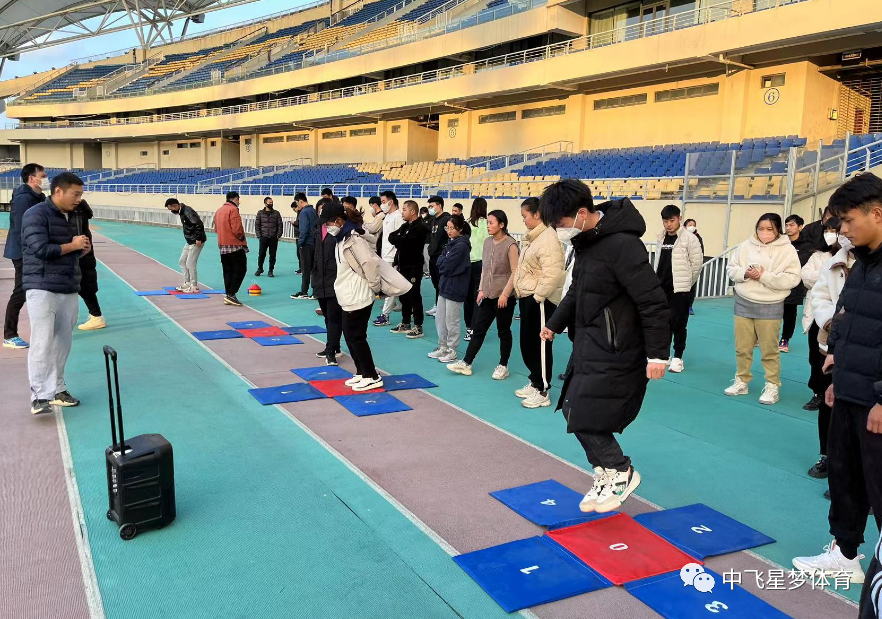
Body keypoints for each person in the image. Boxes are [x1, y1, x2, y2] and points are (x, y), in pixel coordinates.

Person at [539, 179, 670, 514]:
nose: (559, 230)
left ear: (582, 213)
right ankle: (604, 472)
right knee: (571, 409)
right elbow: (577, 291)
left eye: (561, 223)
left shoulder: (623, 245)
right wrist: (554, 323)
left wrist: (658, 354)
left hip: (618, 346)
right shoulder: (586, 243)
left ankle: (621, 470)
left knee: (586, 414)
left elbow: (653, 302)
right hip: (589, 340)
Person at [792, 173, 882, 587]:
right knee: (845, 477)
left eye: (847, 220)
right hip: (849, 388)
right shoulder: (861, 263)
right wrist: (836, 373)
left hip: (876, 400)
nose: (842, 230)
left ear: (876, 214)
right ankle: (845, 554)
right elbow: (849, 321)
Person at [21, 172, 89, 415]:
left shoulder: (73, 215)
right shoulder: (35, 214)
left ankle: (58, 388)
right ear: (58, 191)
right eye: (75, 194)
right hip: (41, 286)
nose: (79, 199)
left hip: (68, 285)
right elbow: (40, 249)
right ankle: (40, 396)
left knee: (63, 342)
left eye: (80, 194)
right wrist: (73, 245)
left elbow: (71, 249)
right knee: (42, 342)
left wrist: (81, 249)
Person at [724, 213, 801, 405]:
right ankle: (741, 380)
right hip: (743, 302)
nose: (764, 233)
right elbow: (731, 268)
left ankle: (772, 385)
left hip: (771, 304)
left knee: (769, 350)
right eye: (760, 228)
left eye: (769, 229)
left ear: (778, 230)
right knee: (742, 347)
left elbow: (793, 278)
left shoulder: (788, 250)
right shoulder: (745, 246)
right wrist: (745, 273)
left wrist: (765, 276)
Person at [447, 210, 518, 380]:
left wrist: (505, 294)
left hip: (504, 298)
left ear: (502, 224)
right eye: (487, 223)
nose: (488, 226)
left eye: (491, 223)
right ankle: (467, 363)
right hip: (487, 295)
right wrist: (481, 290)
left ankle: (503, 365)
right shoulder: (487, 242)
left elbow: (515, 272)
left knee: (503, 331)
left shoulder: (511, 245)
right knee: (478, 329)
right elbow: (485, 269)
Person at [800, 217, 844, 482]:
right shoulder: (830, 259)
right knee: (829, 398)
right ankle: (827, 454)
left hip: (866, 349)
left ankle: (853, 468)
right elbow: (819, 293)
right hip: (830, 340)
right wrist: (830, 321)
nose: (839, 232)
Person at [514, 197, 565, 409]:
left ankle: (543, 390)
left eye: (525, 216)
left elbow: (553, 272)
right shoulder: (534, 238)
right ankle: (535, 380)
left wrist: (538, 296)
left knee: (540, 344)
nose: (523, 220)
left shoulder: (548, 238)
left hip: (540, 300)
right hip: (529, 296)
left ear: (537, 214)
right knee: (527, 343)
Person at [325, 206, 384, 392]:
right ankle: (361, 371)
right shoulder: (341, 239)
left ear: (338, 221)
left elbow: (371, 263)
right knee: (350, 335)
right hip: (347, 294)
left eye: (328, 223)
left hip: (358, 295)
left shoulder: (354, 239)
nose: (327, 227)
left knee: (357, 337)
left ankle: (372, 376)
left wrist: (375, 287)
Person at [653, 205, 702, 373]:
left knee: (679, 324)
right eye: (665, 221)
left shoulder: (690, 239)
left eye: (672, 220)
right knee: (663, 323)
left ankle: (678, 357)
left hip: (680, 290)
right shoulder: (661, 237)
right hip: (661, 288)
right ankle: (665, 354)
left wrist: (686, 284)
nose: (668, 224)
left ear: (679, 219)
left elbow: (696, 265)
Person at [3, 163, 47, 349]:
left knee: (39, 289)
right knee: (20, 291)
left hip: (32, 251)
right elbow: (24, 228)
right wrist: (33, 250)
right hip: (23, 252)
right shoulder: (23, 199)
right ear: (32, 178)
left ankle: (45, 329)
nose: (45, 179)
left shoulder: (38, 197)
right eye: (42, 176)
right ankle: (9, 335)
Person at [801, 217, 841, 413]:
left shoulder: (852, 258)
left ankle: (837, 392)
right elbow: (805, 277)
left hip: (840, 318)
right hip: (819, 317)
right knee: (816, 357)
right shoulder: (818, 256)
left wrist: (826, 276)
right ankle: (818, 392)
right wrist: (827, 274)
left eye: (834, 230)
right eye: (827, 230)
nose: (830, 234)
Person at [429, 214, 471, 363]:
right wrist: (444, 262)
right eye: (448, 228)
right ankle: (443, 346)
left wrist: (444, 263)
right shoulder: (449, 244)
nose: (449, 231)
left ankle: (452, 350)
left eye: (452, 228)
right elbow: (440, 261)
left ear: (460, 229)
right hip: (445, 286)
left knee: (452, 321)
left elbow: (447, 265)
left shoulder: (462, 246)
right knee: (440, 319)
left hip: (456, 288)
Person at [387, 200, 427, 339]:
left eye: (404, 209)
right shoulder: (405, 226)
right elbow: (391, 237)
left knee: (414, 295)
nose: (402, 212)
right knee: (404, 295)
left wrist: (401, 240)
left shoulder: (420, 227)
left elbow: (408, 243)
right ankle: (405, 323)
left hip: (414, 266)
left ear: (413, 211)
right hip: (403, 265)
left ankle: (418, 326)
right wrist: (401, 239)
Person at [313, 200, 346, 366]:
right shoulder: (319, 229)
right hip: (320, 279)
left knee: (334, 317)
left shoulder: (342, 233)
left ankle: (331, 350)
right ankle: (334, 346)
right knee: (327, 317)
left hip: (335, 280)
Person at [779, 214, 815, 353]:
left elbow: (800, 263)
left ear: (800, 227)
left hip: (794, 284)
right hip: (776, 281)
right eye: (786, 225)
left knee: (789, 312)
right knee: (770, 310)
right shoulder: (780, 242)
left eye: (792, 225)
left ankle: (785, 339)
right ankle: (762, 336)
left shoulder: (807, 245)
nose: (788, 228)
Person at [70, 199, 106, 331]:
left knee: (84, 287)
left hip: (81, 256)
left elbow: (78, 236)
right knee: (84, 288)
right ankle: (95, 316)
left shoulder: (76, 212)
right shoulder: (79, 211)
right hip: (84, 255)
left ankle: (96, 316)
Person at [373, 191, 403, 326]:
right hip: (385, 255)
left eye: (384, 202)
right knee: (394, 285)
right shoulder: (387, 217)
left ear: (391, 202)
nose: (382, 204)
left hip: (392, 256)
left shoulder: (398, 217)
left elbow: (398, 238)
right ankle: (406, 308)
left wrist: (396, 256)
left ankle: (385, 315)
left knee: (390, 286)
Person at [164, 198, 206, 293]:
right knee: (182, 261)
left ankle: (194, 286)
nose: (171, 211)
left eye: (171, 209)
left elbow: (199, 224)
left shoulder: (187, 211)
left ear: (175, 205)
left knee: (190, 263)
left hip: (196, 241)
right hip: (190, 241)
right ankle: (187, 282)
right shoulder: (182, 211)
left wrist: (198, 238)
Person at [215, 191, 248, 307]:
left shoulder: (219, 211)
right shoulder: (233, 210)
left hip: (222, 245)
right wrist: (241, 237)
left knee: (227, 271)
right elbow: (237, 228)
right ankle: (231, 294)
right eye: (239, 200)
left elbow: (216, 229)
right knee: (241, 269)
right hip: (234, 245)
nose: (239, 202)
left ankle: (229, 293)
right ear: (235, 199)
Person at [463, 198, 489, 342]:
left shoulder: (467, 223)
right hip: (482, 264)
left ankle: (469, 328)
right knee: (478, 297)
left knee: (468, 298)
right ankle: (476, 327)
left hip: (468, 263)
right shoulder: (488, 224)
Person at [426, 195, 450, 316]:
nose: (430, 209)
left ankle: (442, 308)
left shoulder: (446, 219)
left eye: (432, 206)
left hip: (441, 256)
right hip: (433, 256)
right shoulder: (433, 220)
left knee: (442, 283)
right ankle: (437, 305)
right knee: (436, 283)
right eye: (429, 206)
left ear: (439, 206)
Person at [291, 192, 317, 299]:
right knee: (314, 269)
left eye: (297, 203)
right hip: (315, 243)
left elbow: (304, 230)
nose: (297, 205)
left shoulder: (303, 213)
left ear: (300, 201)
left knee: (305, 269)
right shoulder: (314, 211)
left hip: (306, 244)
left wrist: (300, 243)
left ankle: (304, 291)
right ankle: (315, 291)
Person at [255, 196, 283, 277]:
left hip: (273, 237)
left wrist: (278, 235)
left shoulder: (276, 213)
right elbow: (257, 225)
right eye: (269, 202)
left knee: (272, 255)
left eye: (272, 202)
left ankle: (271, 270)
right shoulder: (260, 213)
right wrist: (259, 235)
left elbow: (280, 225)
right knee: (261, 254)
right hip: (263, 237)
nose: (271, 204)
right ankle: (260, 268)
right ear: (265, 203)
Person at [683, 218, 704, 315]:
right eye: (690, 225)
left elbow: (700, 252)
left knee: (692, 287)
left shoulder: (698, 238)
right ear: (685, 226)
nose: (692, 227)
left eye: (693, 225)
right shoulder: (681, 236)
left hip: (693, 266)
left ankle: (689, 306)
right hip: (682, 265)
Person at [420, 206, 433, 278]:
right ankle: (425, 271)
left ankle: (430, 271)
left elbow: (430, 228)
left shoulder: (431, 219)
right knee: (423, 257)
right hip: (422, 241)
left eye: (423, 213)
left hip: (428, 241)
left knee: (427, 257)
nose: (422, 214)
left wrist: (424, 224)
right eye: (421, 213)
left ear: (427, 212)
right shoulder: (420, 219)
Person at [290, 199, 302, 274]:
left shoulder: (301, 213)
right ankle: (301, 267)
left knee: (300, 253)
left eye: (294, 209)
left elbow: (300, 223)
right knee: (299, 253)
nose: (294, 210)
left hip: (300, 236)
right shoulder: (299, 213)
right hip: (298, 236)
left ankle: (302, 268)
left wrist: (294, 223)